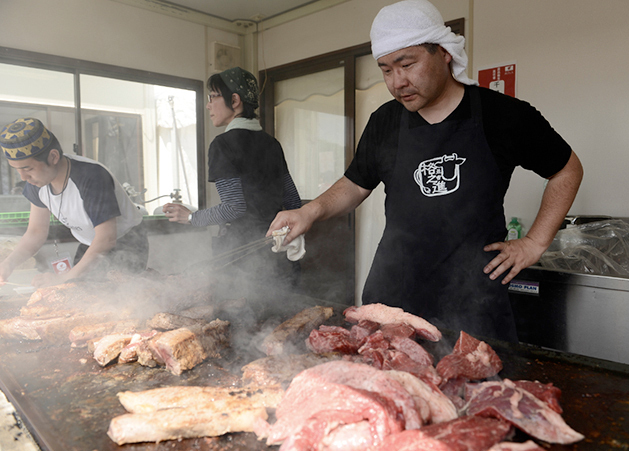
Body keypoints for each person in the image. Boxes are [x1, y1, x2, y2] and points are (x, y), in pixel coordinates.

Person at [267, 0, 583, 342]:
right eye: (386, 69)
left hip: (473, 301)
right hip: (393, 297)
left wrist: (535, 242)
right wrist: (309, 211)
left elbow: (566, 170)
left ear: (443, 52)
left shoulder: (503, 116)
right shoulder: (384, 122)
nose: (397, 81)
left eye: (407, 64)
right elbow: (356, 184)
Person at [163, 67, 302, 292]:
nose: (208, 105)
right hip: (277, 255)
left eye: (213, 97)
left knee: (241, 322)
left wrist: (191, 217)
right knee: (279, 320)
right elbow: (293, 202)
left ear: (235, 100)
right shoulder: (272, 144)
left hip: (243, 260)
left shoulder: (223, 145)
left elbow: (234, 208)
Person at [0, 117, 148, 287]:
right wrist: (7, 264)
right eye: (17, 170)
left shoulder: (91, 177)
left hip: (126, 242)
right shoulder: (37, 182)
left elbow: (106, 238)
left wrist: (64, 278)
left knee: (120, 300)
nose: (23, 178)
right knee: (76, 293)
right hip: (90, 243)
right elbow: (36, 232)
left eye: (28, 168)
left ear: (53, 157)